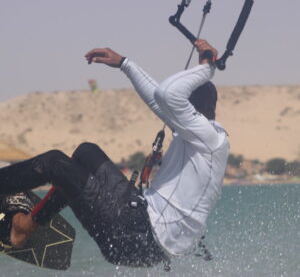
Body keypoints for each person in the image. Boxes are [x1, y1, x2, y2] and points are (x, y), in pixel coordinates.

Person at [0, 39, 229, 268]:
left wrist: (206, 69)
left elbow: (167, 95)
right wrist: (124, 64)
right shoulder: (199, 132)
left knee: (53, 163)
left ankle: (19, 228)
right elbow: (159, 100)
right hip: (140, 216)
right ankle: (24, 227)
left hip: (138, 237)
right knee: (86, 153)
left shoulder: (210, 141)